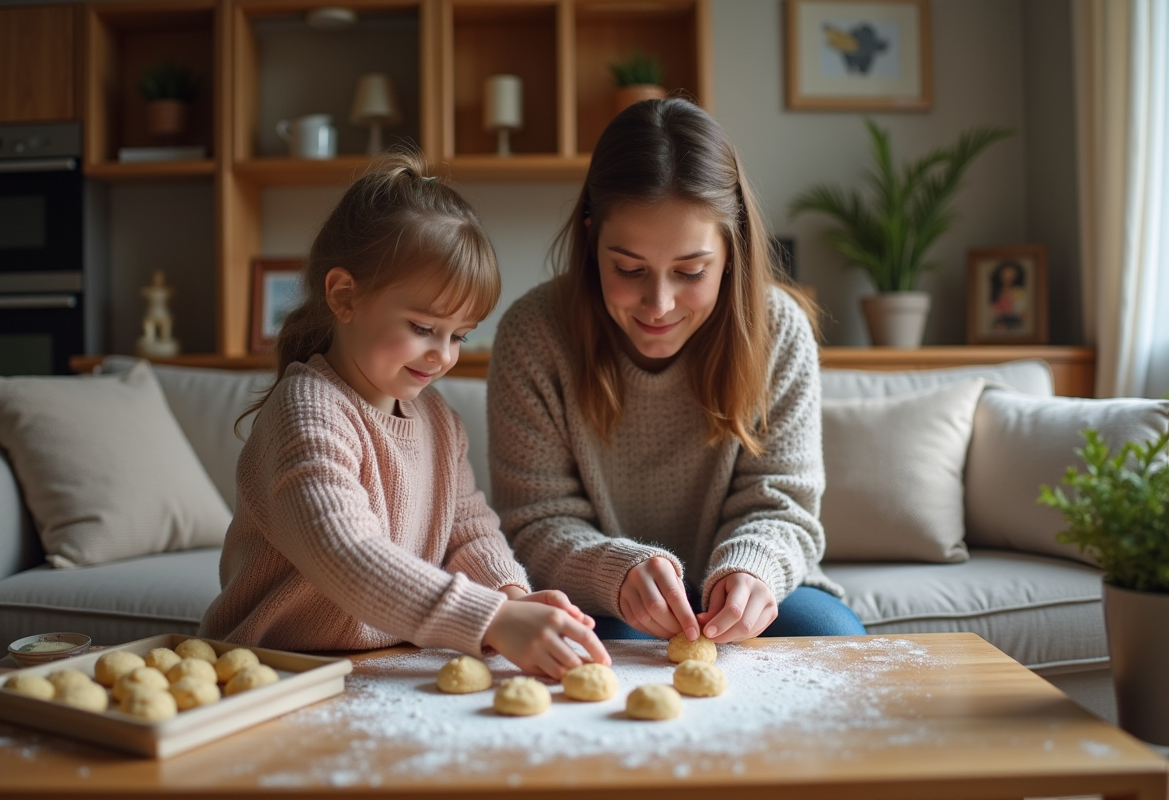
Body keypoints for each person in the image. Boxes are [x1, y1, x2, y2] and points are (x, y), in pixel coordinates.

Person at [200, 153, 609, 680]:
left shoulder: (438, 419)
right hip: (272, 672)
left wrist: (511, 596)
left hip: (380, 666)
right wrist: (493, 619)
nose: (443, 354)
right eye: (422, 327)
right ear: (344, 296)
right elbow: (345, 552)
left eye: (459, 335)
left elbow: (468, 532)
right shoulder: (306, 409)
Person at [487, 98, 866, 644]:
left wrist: (753, 566)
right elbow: (534, 524)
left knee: (830, 636)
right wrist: (615, 573)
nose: (658, 303)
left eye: (690, 271)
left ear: (731, 250)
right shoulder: (534, 333)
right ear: (591, 235)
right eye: (629, 268)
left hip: (749, 588)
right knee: (614, 656)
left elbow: (783, 503)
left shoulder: (778, 330)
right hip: (604, 598)